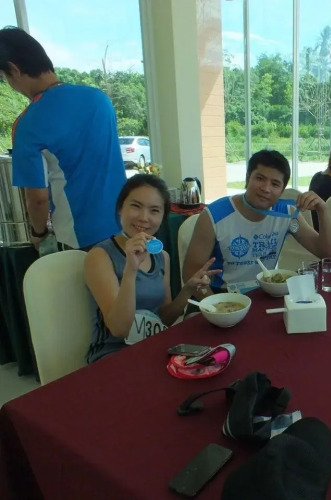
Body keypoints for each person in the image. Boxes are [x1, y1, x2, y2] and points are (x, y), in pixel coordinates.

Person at [0, 27, 126, 250]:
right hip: (124, 225)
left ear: (14, 70)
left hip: (79, 237)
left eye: (5, 78)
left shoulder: (28, 124)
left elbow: (37, 198)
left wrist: (38, 232)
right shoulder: (100, 100)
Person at [85, 175, 218, 363]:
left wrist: (188, 290)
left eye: (154, 210)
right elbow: (119, 329)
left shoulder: (162, 257)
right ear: (120, 208)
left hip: (154, 349)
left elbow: (163, 319)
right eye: (136, 206)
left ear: (163, 217)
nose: (144, 218)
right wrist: (131, 268)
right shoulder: (100, 256)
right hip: (112, 355)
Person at [183, 149, 331, 297]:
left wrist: (322, 210)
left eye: (275, 184)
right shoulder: (214, 215)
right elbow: (190, 273)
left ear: (282, 190)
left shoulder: (287, 214)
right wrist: (215, 305)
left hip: (264, 294)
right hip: (221, 294)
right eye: (260, 179)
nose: (266, 188)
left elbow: (327, 255)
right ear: (247, 178)